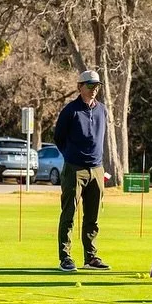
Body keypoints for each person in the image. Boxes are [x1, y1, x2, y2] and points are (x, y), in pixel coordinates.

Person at [54, 69, 110, 272]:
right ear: (80, 87)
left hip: (96, 168)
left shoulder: (102, 110)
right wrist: (71, 156)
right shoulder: (71, 111)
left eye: (96, 86)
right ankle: (65, 257)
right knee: (68, 214)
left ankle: (91, 257)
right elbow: (59, 137)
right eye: (90, 85)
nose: (94, 89)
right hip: (74, 169)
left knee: (93, 217)